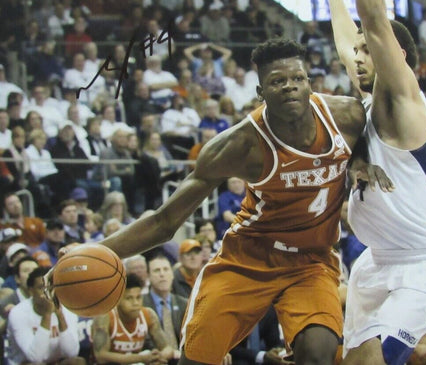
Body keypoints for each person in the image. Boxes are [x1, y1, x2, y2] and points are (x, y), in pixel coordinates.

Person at [49, 37, 370, 364]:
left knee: (319, 353)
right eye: (277, 81)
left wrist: (359, 163)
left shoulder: (346, 116)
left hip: (311, 262)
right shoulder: (238, 145)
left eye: (298, 79)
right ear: (260, 93)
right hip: (249, 259)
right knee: (196, 360)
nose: (290, 87)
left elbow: (366, 142)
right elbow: (164, 222)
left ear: (310, 84)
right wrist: (96, 250)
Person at [327, 0, 426, 364]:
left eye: (368, 50)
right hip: (376, 263)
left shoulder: (404, 103)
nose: (357, 57)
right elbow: (349, 41)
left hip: (423, 267)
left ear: (395, 55)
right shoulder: (372, 102)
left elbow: (372, 18)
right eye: (358, 52)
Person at [91, 273, 174, 364]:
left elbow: (168, 349)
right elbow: (101, 356)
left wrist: (157, 358)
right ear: (117, 300)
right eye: (129, 298)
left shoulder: (148, 314)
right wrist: (141, 358)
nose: (135, 303)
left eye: (138, 297)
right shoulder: (105, 317)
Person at [6, 267, 82, 365]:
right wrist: (47, 314)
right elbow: (35, 357)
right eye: (42, 288)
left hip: (55, 361)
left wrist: (60, 316)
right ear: (31, 291)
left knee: (77, 362)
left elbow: (72, 353)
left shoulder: (67, 308)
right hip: (25, 362)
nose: (48, 293)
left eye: (52, 287)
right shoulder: (18, 313)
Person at [143, 253, 188, 357]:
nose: (162, 274)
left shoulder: (185, 304)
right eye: (157, 270)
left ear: (172, 274)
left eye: (166, 269)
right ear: (148, 276)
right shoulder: (140, 304)